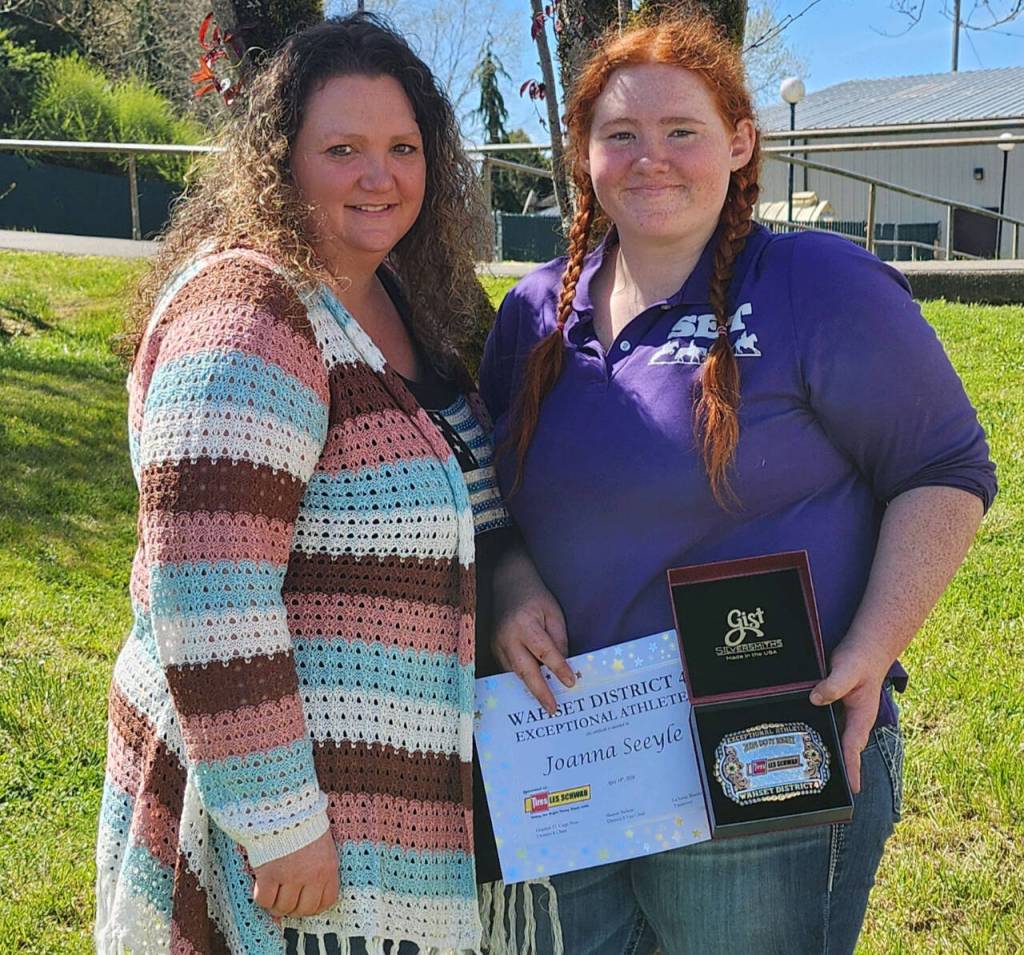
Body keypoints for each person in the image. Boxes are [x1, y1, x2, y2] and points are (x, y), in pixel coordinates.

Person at [477, 15, 996, 955]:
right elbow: (487, 503)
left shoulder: (814, 282)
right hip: (576, 753)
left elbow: (945, 469)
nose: (652, 159)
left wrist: (875, 646)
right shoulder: (532, 311)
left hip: (762, 749)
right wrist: (510, 582)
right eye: (620, 135)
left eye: (683, 130)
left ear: (741, 141)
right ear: (582, 153)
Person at [95, 14, 511, 955]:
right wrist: (279, 822)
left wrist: (514, 593)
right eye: (344, 148)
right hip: (286, 821)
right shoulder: (253, 307)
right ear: (280, 160)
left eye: (404, 147)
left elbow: (463, 495)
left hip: (382, 798)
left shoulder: (401, 294)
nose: (381, 174)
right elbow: (207, 585)